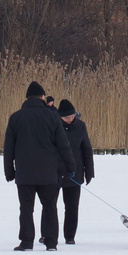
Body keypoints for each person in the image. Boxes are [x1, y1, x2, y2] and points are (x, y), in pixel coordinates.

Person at [3, 81, 74, 251]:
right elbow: (63, 145)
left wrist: (9, 171)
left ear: (27, 98)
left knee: (26, 208)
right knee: (50, 207)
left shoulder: (15, 117)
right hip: (48, 172)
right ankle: (51, 242)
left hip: (24, 171)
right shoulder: (52, 117)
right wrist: (70, 166)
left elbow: (8, 148)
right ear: (42, 97)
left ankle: (27, 242)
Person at [57, 99, 94, 245]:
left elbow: (87, 150)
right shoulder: (53, 126)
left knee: (72, 206)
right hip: (55, 172)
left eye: (72, 116)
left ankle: (70, 236)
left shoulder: (80, 126)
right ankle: (47, 234)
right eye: (67, 117)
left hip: (75, 172)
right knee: (50, 205)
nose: (70, 119)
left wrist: (89, 171)